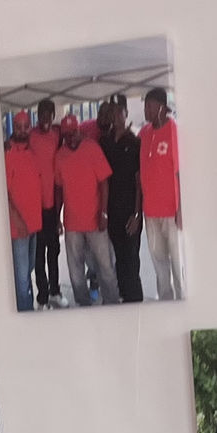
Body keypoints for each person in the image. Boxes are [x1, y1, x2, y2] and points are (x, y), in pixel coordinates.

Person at [53, 113, 115, 307]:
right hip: (72, 223)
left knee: (105, 265)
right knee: (75, 268)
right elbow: (59, 189)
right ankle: (83, 302)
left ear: (79, 130)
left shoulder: (92, 148)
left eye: (73, 133)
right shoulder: (60, 155)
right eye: (66, 135)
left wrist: (104, 213)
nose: (70, 138)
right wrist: (57, 218)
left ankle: (112, 301)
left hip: (95, 220)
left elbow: (104, 182)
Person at [98, 94, 146, 303]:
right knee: (117, 262)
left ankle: (135, 304)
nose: (116, 116)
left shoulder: (135, 142)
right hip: (111, 212)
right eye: (113, 112)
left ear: (126, 114)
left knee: (131, 263)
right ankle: (124, 302)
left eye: (120, 112)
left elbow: (139, 183)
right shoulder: (104, 142)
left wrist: (137, 215)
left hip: (129, 212)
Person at [138, 86, 184, 300]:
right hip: (151, 213)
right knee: (159, 262)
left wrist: (181, 209)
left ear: (162, 107)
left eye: (149, 105)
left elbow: (182, 174)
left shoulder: (175, 132)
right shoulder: (144, 133)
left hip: (172, 212)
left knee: (177, 262)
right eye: (145, 105)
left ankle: (183, 300)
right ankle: (166, 301)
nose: (146, 110)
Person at [4, 113, 46, 312]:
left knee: (27, 273)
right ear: (13, 127)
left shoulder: (32, 152)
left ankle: (25, 310)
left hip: (33, 225)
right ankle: (25, 316)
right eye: (18, 126)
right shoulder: (7, 153)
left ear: (31, 127)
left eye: (26, 126)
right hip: (17, 228)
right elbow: (3, 192)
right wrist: (18, 221)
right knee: (22, 280)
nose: (22, 130)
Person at [31, 97, 65, 308]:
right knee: (38, 255)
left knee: (53, 252)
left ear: (53, 117)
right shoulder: (30, 136)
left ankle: (55, 291)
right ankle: (42, 296)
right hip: (34, 206)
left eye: (48, 115)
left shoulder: (57, 135)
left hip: (52, 205)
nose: (44, 118)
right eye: (41, 115)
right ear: (38, 116)